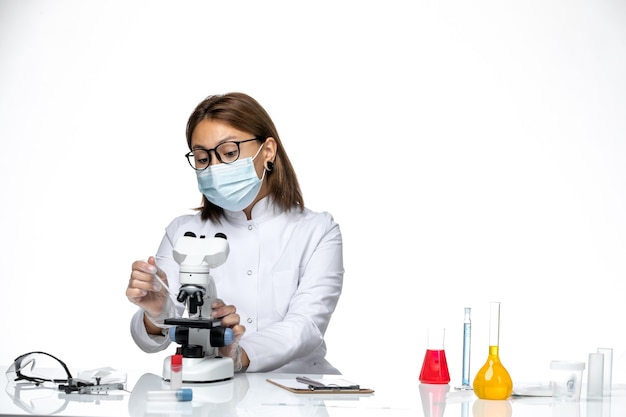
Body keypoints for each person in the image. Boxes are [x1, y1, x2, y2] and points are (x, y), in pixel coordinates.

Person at [126, 92, 344, 374]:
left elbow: (307, 324)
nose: (215, 169)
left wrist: (239, 354)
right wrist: (155, 313)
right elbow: (152, 339)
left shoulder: (317, 230)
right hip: (212, 390)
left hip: (296, 387)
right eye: (203, 158)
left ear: (267, 151)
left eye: (228, 153)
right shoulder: (184, 231)